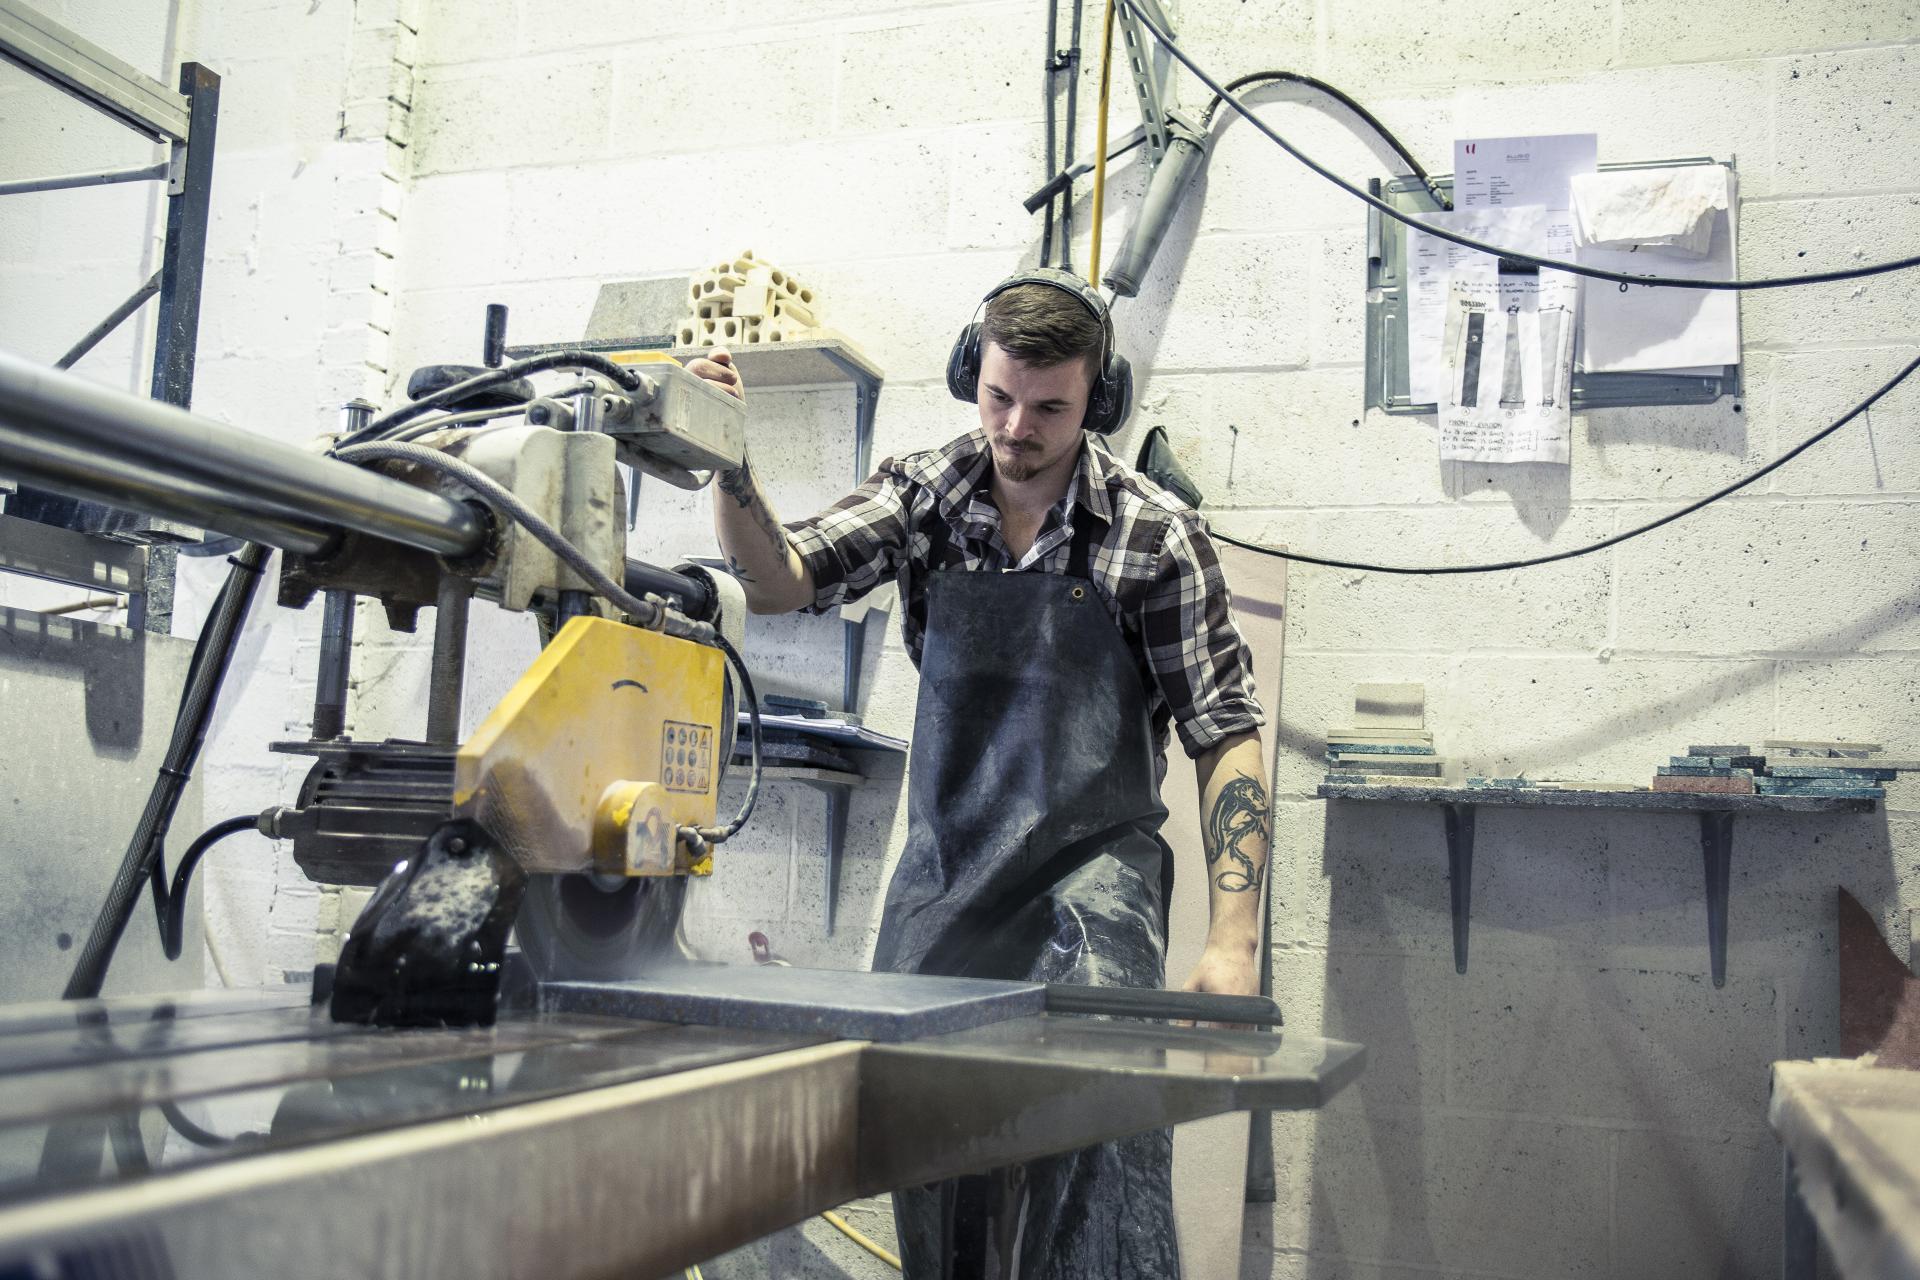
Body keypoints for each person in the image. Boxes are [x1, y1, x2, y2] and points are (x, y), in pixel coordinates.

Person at [692, 267, 1271, 1279]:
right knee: (930, 1158)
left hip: (1092, 890)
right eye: (999, 396)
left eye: (1049, 407)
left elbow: (1225, 731)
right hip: (949, 874)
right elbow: (781, 579)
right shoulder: (926, 494)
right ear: (974, 372)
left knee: (1095, 1164)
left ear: (1098, 401)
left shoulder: (1150, 536)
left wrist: (1234, 939)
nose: (1016, 427)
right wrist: (730, 470)